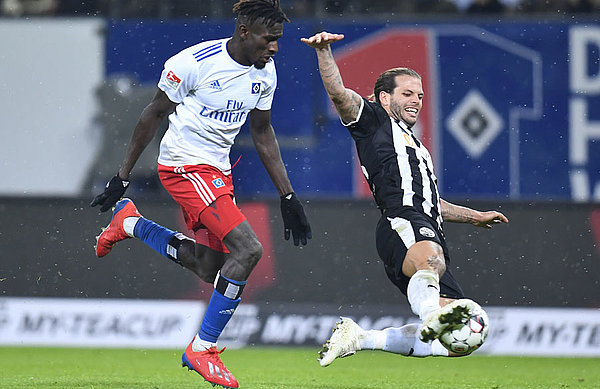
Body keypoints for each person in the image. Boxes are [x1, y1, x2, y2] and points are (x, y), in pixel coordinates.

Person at [91, 1, 312, 387]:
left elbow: (262, 132)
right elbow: (153, 114)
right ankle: (202, 348)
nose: (275, 48)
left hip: (217, 171)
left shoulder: (266, 72)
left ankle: (130, 223)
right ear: (244, 31)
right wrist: (123, 176)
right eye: (268, 39)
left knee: (212, 268)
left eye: (278, 40)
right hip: (182, 165)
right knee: (249, 250)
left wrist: (288, 196)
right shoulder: (194, 62)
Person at [300, 31, 508, 366]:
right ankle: (429, 315)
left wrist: (475, 216)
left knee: (462, 337)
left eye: (421, 95)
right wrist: (324, 52)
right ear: (384, 98)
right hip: (402, 221)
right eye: (407, 93)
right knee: (432, 262)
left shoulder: (418, 147)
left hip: (425, 225)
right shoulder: (373, 121)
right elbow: (339, 95)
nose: (416, 100)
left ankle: (361, 338)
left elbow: (434, 203)